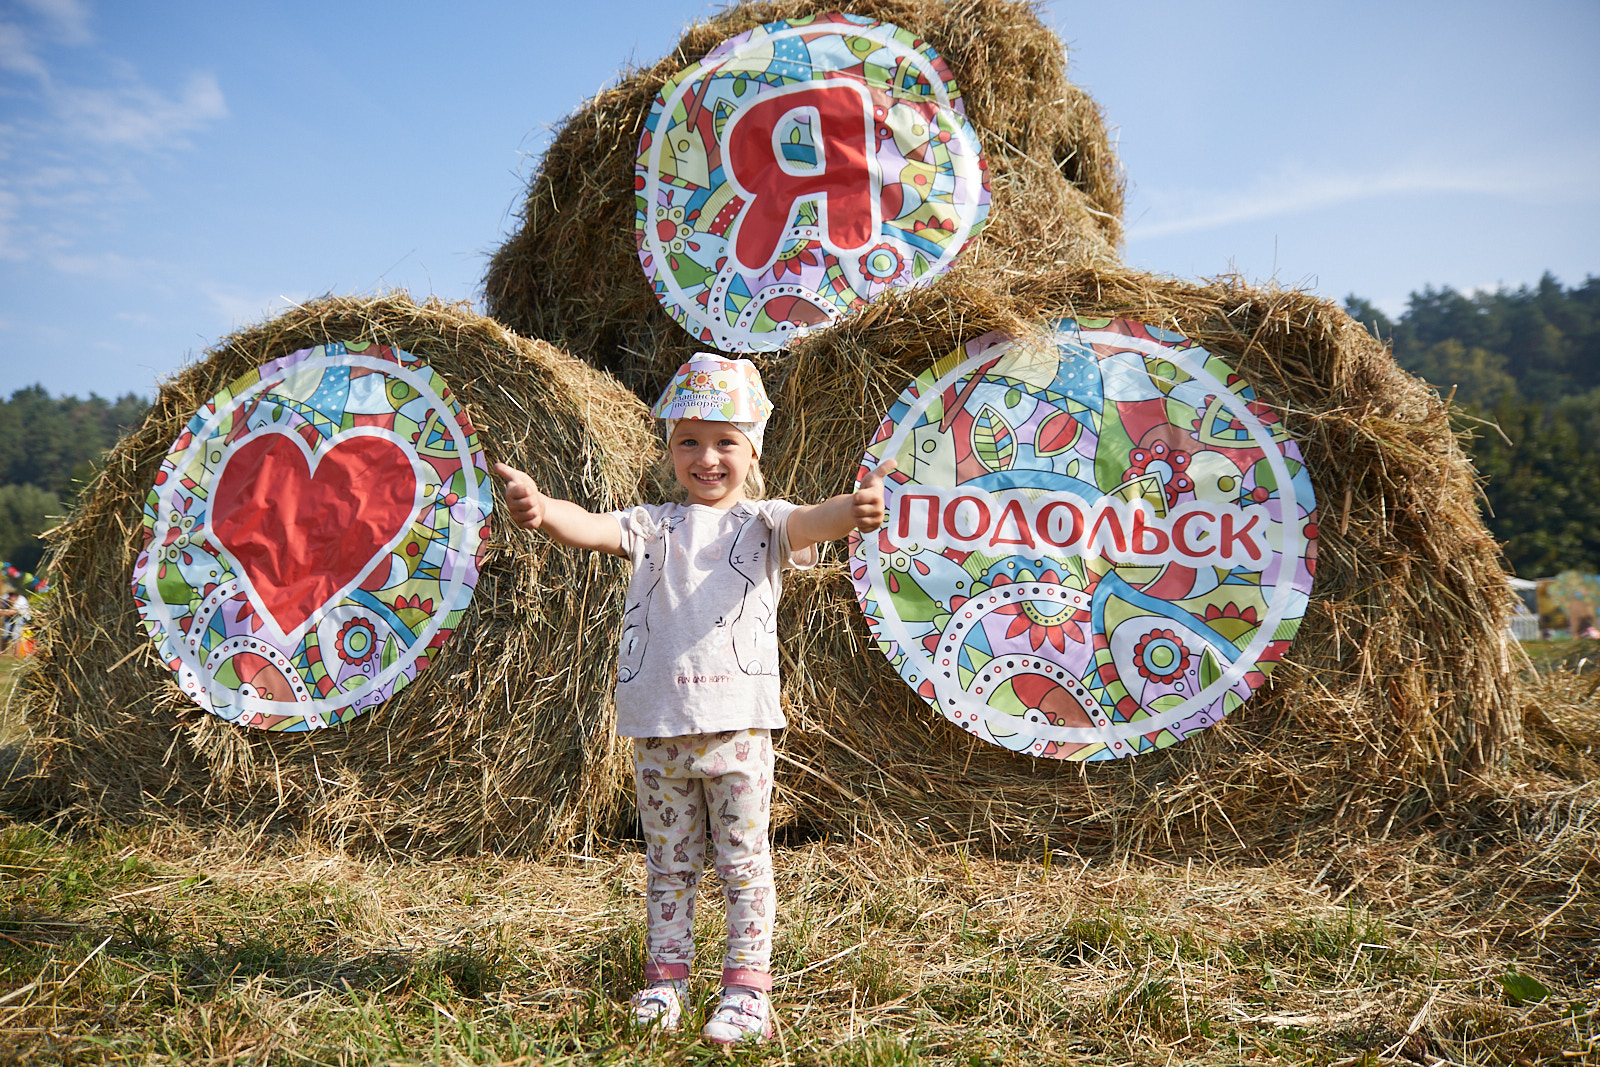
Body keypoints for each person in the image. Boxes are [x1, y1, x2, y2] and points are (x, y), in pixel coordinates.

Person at [493, 355, 894, 1045]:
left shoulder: (764, 524)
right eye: (689, 440)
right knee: (668, 863)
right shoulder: (652, 525)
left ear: (751, 451)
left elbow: (813, 520)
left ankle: (746, 990)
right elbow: (585, 524)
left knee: (743, 861)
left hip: (738, 729)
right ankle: (665, 979)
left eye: (724, 441)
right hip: (658, 728)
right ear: (670, 448)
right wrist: (539, 509)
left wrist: (853, 511)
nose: (706, 457)